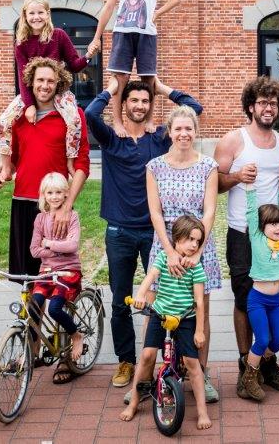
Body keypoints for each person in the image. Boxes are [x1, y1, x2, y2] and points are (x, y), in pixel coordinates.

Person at [85, 74, 202, 388]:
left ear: (151, 106)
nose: (139, 105)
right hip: (120, 231)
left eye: (145, 100)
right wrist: (113, 88)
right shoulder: (112, 137)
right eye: (133, 100)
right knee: (121, 301)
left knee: (167, 299)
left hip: (156, 233)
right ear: (125, 104)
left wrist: (161, 87)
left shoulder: (160, 137)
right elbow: (89, 115)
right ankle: (126, 361)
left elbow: (194, 108)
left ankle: (170, 360)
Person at [214, 76, 279, 396]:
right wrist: (235, 176)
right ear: (251, 106)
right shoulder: (233, 141)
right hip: (242, 233)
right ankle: (243, 366)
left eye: (273, 103)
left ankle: (267, 364)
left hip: (275, 237)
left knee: (272, 296)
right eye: (262, 102)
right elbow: (216, 183)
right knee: (244, 299)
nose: (268, 107)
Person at [143, 105, 220, 403]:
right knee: (156, 312)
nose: (184, 133)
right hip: (165, 249)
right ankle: (149, 377)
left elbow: (210, 211)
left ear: (195, 132)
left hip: (199, 250)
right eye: (178, 128)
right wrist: (169, 251)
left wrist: (197, 251)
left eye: (189, 128)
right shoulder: (155, 166)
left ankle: (201, 371)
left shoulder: (208, 166)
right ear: (170, 132)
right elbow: (156, 213)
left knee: (200, 312)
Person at [0, 58, 90, 282]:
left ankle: (56, 316)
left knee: (53, 277)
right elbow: (14, 161)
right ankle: (31, 319)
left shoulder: (71, 117)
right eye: (40, 80)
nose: (45, 86)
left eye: (50, 81)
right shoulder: (18, 118)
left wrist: (67, 206)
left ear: (58, 84)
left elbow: (82, 164)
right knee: (26, 278)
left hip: (54, 207)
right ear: (30, 83)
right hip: (22, 203)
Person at [120, 215, 212, 431]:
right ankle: (134, 402)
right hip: (160, 315)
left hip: (184, 318)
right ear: (177, 239)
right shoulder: (163, 258)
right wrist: (141, 295)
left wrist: (199, 331)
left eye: (197, 242)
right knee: (147, 355)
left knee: (192, 363)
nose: (193, 245)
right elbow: (150, 277)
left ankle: (202, 411)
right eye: (190, 239)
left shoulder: (196, 268)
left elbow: (199, 303)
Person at [86, 0, 182, 133]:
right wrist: (97, 37)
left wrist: (156, 13)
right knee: (120, 79)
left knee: (149, 78)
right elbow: (108, 8)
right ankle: (118, 121)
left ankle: (149, 120)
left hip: (147, 34)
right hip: (123, 33)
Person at [0, 0, 90, 171]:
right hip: (32, 92)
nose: (36, 17)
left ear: (47, 14)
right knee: (3, 121)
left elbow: (75, 65)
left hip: (58, 91)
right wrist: (29, 104)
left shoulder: (59, 35)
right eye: (31, 13)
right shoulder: (21, 43)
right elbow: (23, 77)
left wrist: (88, 56)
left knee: (74, 119)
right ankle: (7, 166)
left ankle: (69, 162)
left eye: (40, 12)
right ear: (25, 15)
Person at [237, 179, 279, 402]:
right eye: (272, 224)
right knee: (262, 339)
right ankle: (249, 377)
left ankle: (254, 361)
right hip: (257, 300)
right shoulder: (257, 238)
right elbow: (251, 209)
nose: (278, 227)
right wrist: (249, 186)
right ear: (261, 227)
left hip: (275, 301)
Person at [29, 171, 86, 384]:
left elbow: (73, 246)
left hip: (69, 271)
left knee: (54, 308)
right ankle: (31, 350)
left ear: (66, 194)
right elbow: (34, 250)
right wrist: (58, 250)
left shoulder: (72, 217)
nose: (54, 197)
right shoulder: (40, 218)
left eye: (59, 192)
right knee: (34, 307)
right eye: (50, 192)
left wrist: (49, 244)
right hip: (47, 272)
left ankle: (75, 335)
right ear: (44, 194)